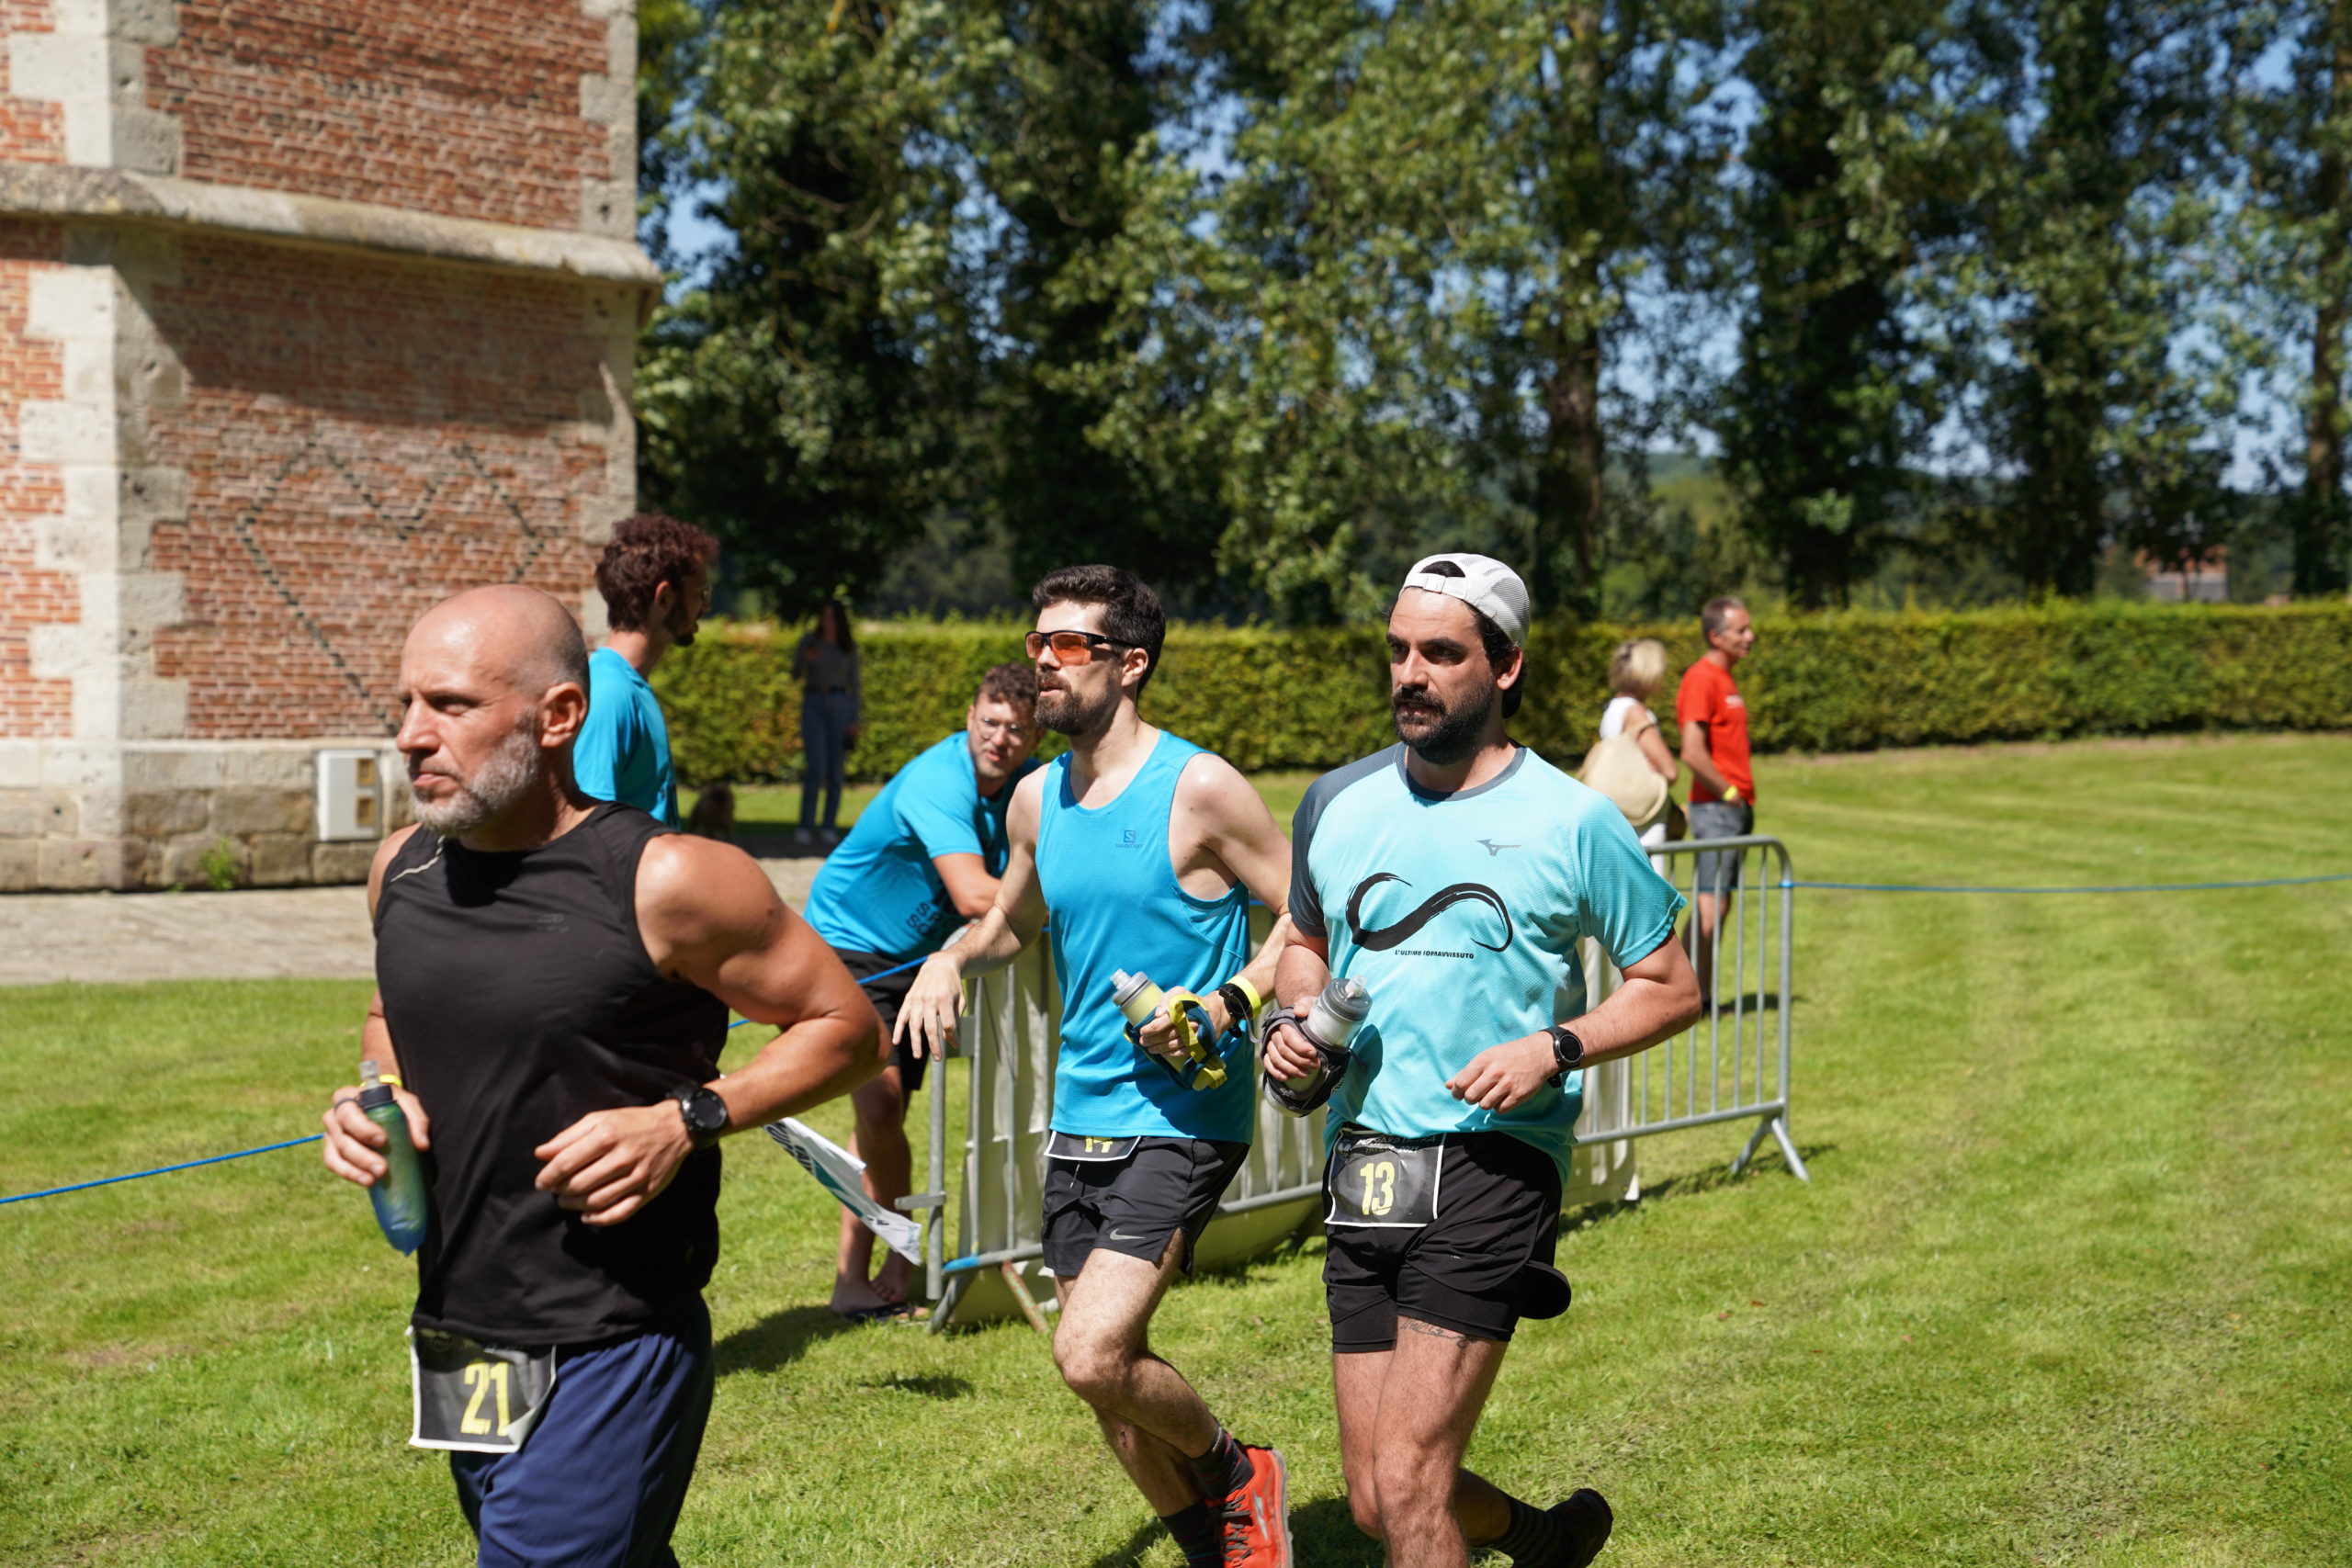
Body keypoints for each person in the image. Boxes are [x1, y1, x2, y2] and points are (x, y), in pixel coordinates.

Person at [319, 585, 881, 1568]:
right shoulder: (401, 869)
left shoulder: (668, 880)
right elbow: (387, 1015)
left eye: (450, 705)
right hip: (461, 1328)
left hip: (614, 1332)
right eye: (405, 703)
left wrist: (688, 1117)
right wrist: (379, 1095)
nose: (411, 735)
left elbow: (847, 1029)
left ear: (559, 717)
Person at [1265, 553, 1703, 1568]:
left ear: (1504, 667)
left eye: (1440, 653)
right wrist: (1296, 1020)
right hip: (1363, 1159)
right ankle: (1543, 1541)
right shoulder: (1335, 802)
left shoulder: (1573, 819)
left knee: (1411, 1476)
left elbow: (1671, 985)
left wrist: (1554, 1046)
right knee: (1374, 1497)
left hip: (1493, 1158)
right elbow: (1305, 943)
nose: (1409, 674)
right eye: (1398, 651)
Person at [898, 565, 1299, 1568]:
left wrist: (1229, 1001)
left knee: (1088, 1352)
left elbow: (1310, 916)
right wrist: (949, 958)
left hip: (1182, 1115)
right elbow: (1011, 921)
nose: (1043, 661)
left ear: (1130, 664)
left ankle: (1241, 1471)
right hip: (1078, 1116)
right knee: (1107, 1389)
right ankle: (1214, 1546)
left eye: (1067, 644)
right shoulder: (1037, 797)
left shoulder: (1199, 787)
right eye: (1037, 642)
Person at [802, 660, 1045, 1320]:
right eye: (989, 721)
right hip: (846, 946)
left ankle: (870, 1271)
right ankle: (893, 1258)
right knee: (879, 1109)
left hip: (917, 962)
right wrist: (1076, 906)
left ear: (1034, 737)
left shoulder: (1027, 785)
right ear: (969, 717)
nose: (998, 738)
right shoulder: (938, 780)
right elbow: (972, 893)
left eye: (1015, 729)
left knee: (881, 1119)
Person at [577, 513, 717, 826]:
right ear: (664, 597)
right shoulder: (608, 694)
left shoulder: (628, 686)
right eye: (700, 592)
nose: (705, 606)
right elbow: (588, 834)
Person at [1674, 595, 1757, 1002]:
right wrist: (1728, 793)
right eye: (1741, 630)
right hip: (1717, 809)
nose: (1750, 636)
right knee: (1710, 903)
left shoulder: (1725, 678)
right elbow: (1692, 751)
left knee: (1718, 903)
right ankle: (1691, 997)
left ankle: (1695, 994)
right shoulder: (1702, 678)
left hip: (1731, 808)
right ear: (1715, 636)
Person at [1598, 637, 1679, 853]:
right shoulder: (1636, 713)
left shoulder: (1612, 707)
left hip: (1618, 811)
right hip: (1644, 818)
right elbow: (1670, 771)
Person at [796, 600, 862, 847]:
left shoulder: (847, 646)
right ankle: (805, 825)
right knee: (816, 766)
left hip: (840, 704)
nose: (827, 621)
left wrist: (855, 717)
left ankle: (828, 825)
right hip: (814, 701)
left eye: (831, 617)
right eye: (823, 616)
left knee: (836, 769)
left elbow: (855, 684)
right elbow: (796, 673)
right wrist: (806, 660)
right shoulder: (810, 642)